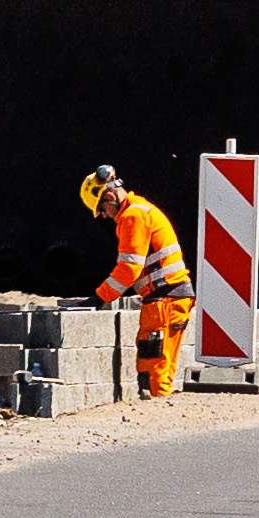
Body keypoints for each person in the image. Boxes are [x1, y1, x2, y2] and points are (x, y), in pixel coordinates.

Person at [85, 167, 191, 399]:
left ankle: (161, 424)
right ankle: (163, 416)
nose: (104, 215)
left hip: (164, 300)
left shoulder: (133, 216)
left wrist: (100, 297)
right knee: (159, 367)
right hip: (171, 299)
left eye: (102, 209)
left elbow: (129, 269)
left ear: (110, 197)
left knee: (153, 371)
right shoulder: (141, 210)